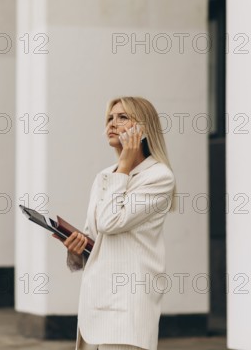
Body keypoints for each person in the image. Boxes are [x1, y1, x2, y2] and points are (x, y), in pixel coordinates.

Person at [53, 96, 177, 350]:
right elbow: (97, 237)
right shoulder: (104, 176)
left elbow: (111, 222)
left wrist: (124, 166)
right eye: (110, 118)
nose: (112, 123)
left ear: (143, 129)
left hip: (128, 306)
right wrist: (76, 249)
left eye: (123, 117)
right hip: (95, 304)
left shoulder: (159, 177)